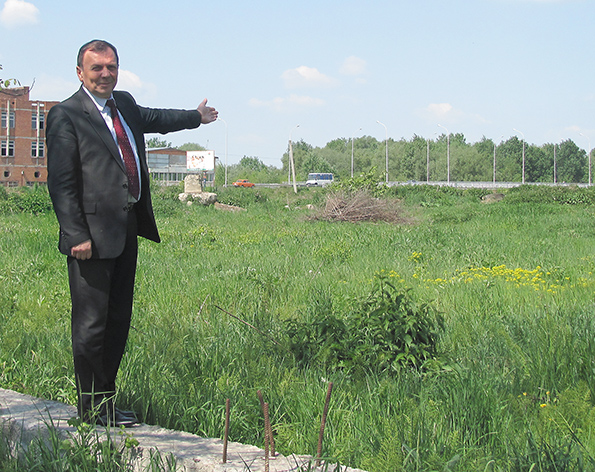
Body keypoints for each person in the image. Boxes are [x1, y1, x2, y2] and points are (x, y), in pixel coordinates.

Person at [47, 39, 218, 426]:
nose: (105, 74)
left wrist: (195, 116)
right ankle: (90, 408)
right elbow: (61, 184)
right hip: (89, 237)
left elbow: (155, 118)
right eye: (97, 68)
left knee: (118, 319)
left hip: (125, 230)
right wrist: (76, 236)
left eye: (111, 67)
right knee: (91, 324)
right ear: (80, 73)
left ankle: (105, 402)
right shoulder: (66, 115)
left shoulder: (123, 103)